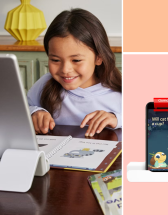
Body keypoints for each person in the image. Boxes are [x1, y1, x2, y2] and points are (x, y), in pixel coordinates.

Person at [28, 8, 122, 137]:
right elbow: (18, 111)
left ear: (99, 57)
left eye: (76, 60)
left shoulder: (120, 93)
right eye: (55, 60)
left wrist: (117, 119)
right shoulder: (44, 84)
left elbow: (153, 122)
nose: (65, 70)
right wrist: (34, 112)